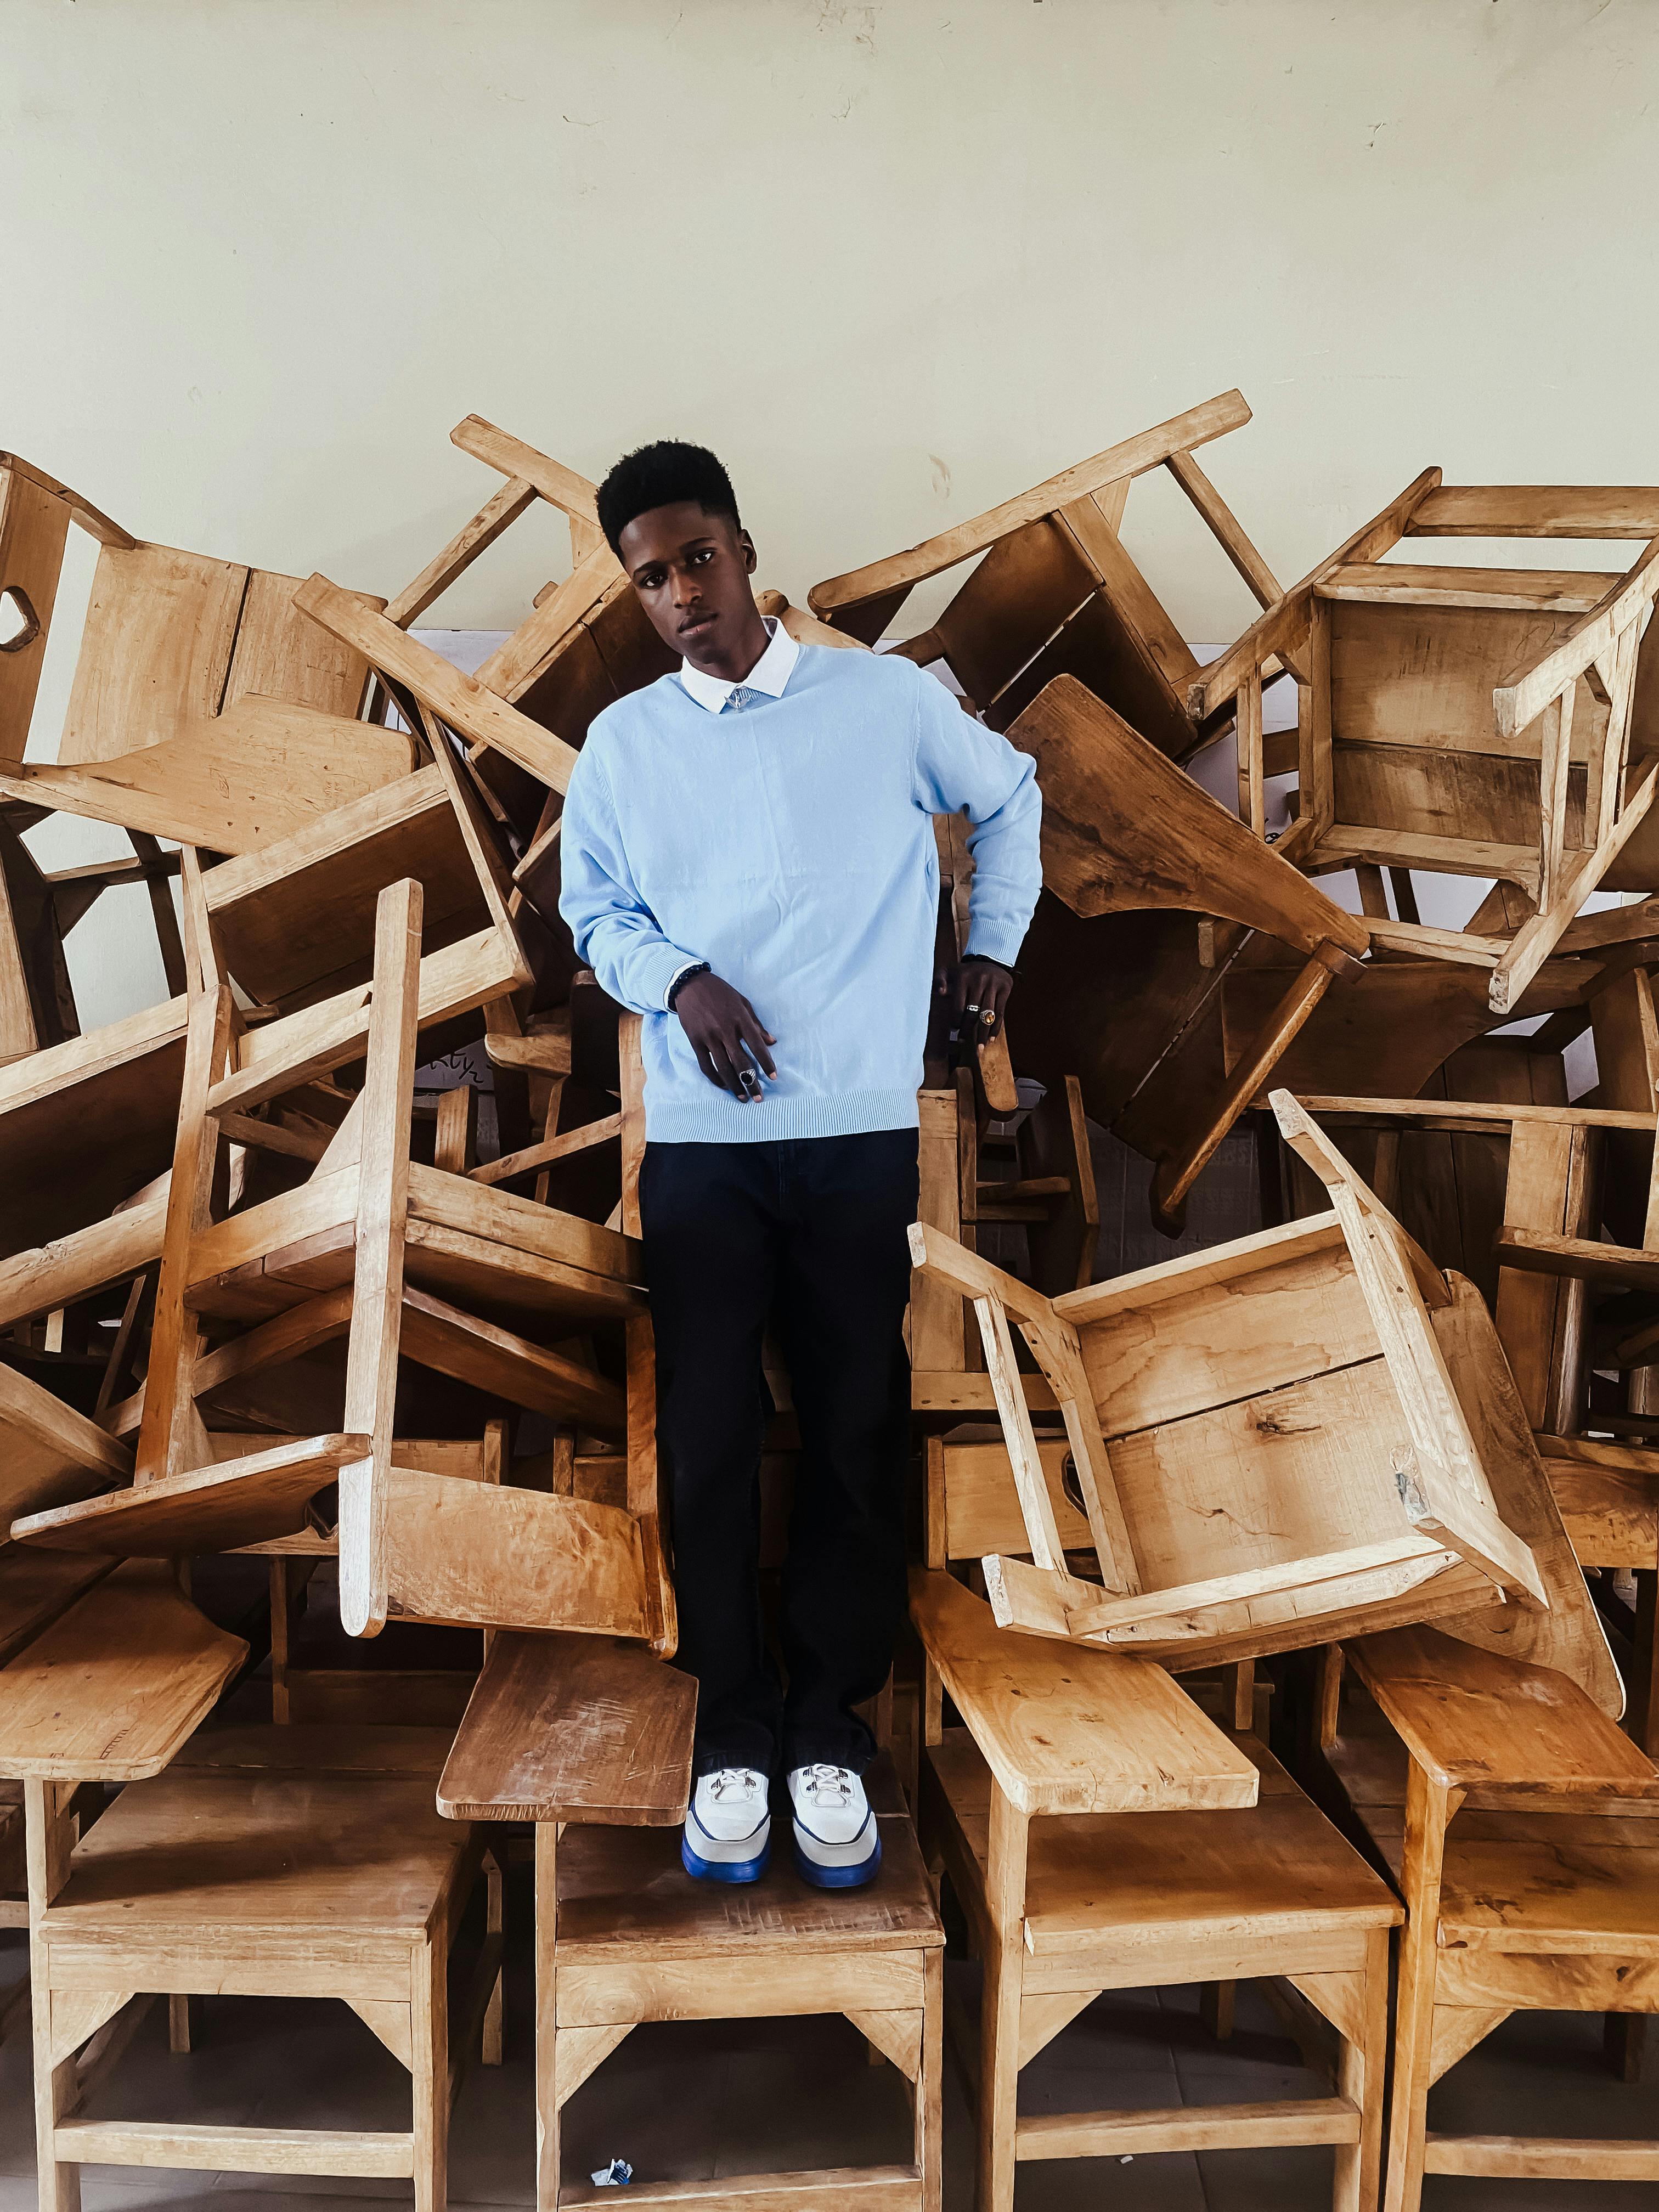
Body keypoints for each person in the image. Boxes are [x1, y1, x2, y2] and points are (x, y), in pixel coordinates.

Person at [557, 439, 1041, 1888]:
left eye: (696, 559)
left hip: (855, 1133)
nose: (680, 594)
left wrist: (994, 946)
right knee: (705, 1440)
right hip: (705, 1150)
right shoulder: (628, 746)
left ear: (746, 550)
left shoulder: (884, 702)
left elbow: (1010, 795)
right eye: (649, 577)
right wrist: (678, 979)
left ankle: (828, 1727)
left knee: (849, 1421)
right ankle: (734, 1725)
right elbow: (592, 913)